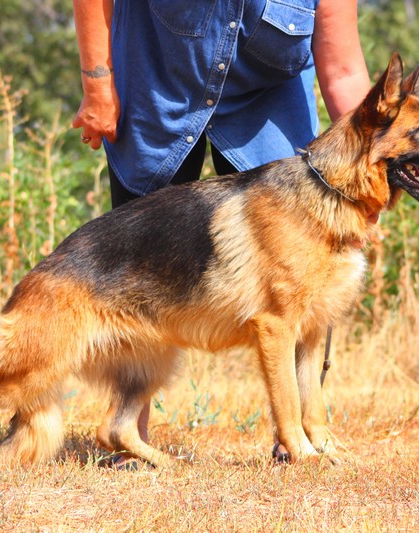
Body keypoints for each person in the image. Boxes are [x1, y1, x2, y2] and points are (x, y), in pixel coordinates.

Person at [72, 0, 371, 467]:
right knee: (140, 267)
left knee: (302, 267)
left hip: (264, 105)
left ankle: (301, 439)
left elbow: (345, 69)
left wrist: (366, 172)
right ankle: (130, 436)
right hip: (158, 88)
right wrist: (98, 83)